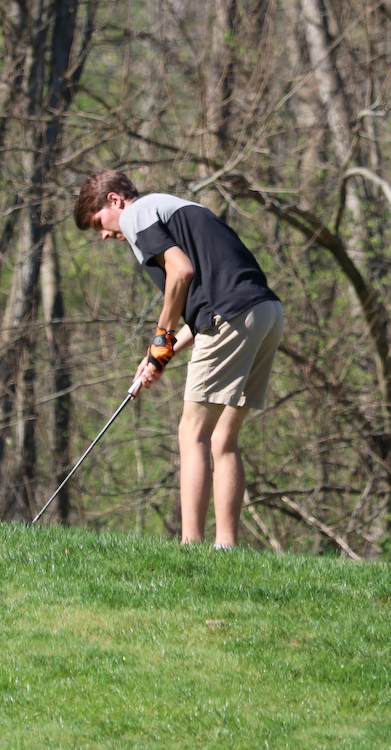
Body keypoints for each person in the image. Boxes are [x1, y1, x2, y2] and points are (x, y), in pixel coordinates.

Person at [75, 169, 284, 549]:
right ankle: (226, 549)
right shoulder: (174, 207)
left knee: (192, 433)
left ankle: (191, 546)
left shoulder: (138, 214)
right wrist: (161, 354)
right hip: (266, 313)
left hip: (233, 316)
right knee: (223, 437)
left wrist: (162, 336)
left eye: (99, 223)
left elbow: (181, 271)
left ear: (114, 200)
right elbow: (204, 312)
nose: (103, 235)